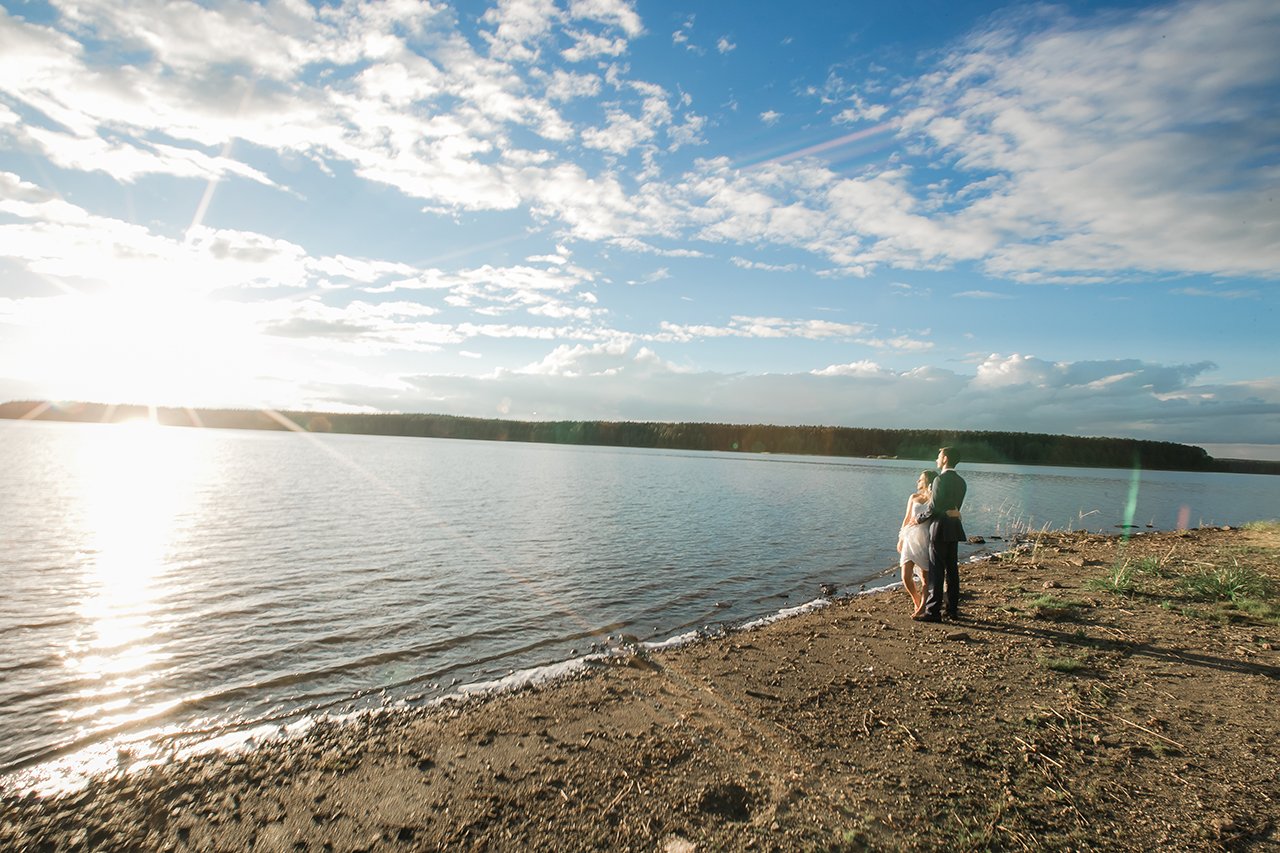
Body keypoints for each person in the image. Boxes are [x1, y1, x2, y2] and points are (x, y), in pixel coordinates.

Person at [914, 447, 967, 623]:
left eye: (939, 456)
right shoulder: (961, 482)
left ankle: (932, 611)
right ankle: (952, 610)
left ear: (945, 459)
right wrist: (950, 512)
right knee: (952, 571)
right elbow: (955, 508)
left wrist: (919, 518)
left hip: (939, 528)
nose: (937, 459)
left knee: (937, 571)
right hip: (954, 528)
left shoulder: (939, 480)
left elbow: (934, 506)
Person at [896, 470, 936, 616]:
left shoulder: (935, 498)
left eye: (919, 479)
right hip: (909, 537)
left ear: (926, 481)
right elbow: (907, 518)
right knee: (905, 575)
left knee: (925, 578)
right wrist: (901, 538)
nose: (917, 482)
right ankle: (916, 598)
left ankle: (923, 606)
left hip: (925, 538)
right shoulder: (913, 497)